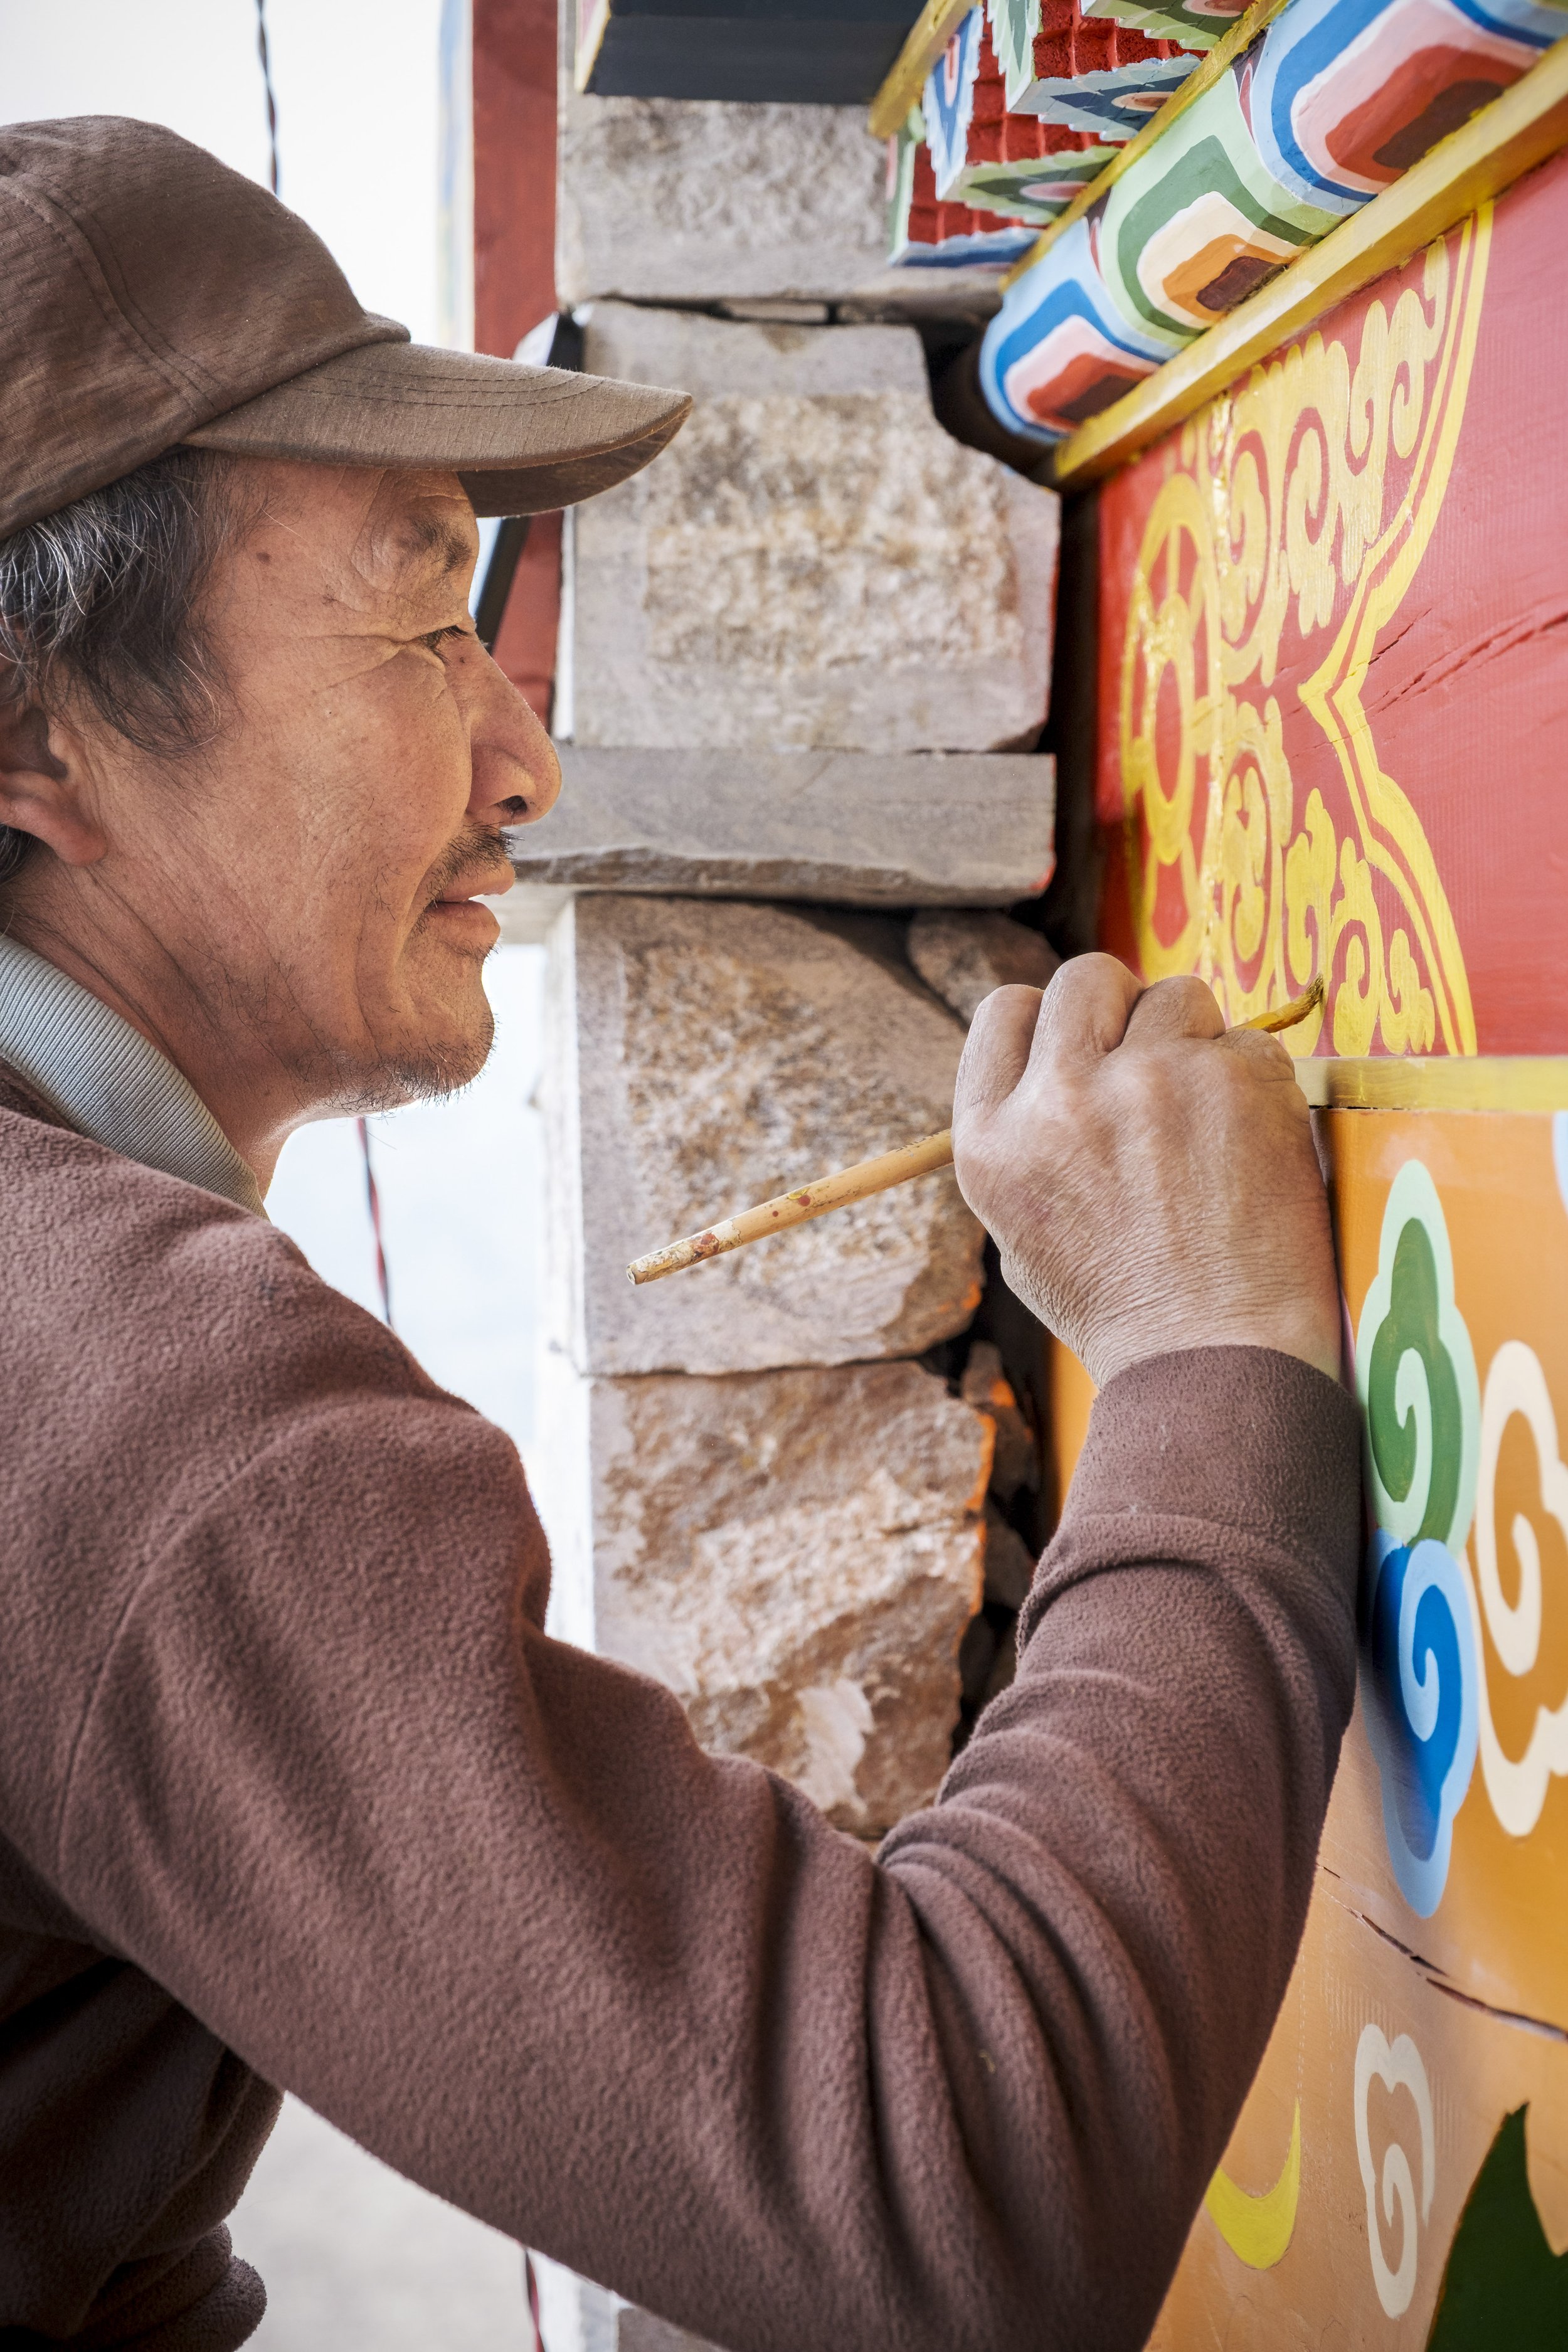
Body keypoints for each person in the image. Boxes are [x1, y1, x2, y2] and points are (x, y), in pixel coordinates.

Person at [0, 117, 1359, 2352]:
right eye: (424, 617)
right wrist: (1209, 1356)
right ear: (39, 738)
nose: (522, 763)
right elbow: (963, 2204)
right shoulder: (114, 1395)